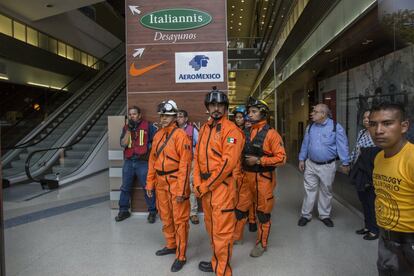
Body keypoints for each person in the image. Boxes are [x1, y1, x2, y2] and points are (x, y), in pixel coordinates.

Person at [194, 87, 244, 275]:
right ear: (208, 107)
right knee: (212, 228)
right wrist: (198, 183)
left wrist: (205, 186)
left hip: (222, 188)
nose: (216, 108)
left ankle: (222, 270)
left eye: (220, 105)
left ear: (225, 108)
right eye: (213, 105)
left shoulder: (231, 130)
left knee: (222, 233)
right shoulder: (205, 128)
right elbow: (197, 157)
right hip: (206, 189)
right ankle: (216, 260)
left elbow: (226, 165)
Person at [234, 97, 286, 257]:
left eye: (254, 111)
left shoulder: (272, 135)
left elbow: (282, 158)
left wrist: (259, 160)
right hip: (245, 178)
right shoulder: (245, 132)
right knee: (240, 210)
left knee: (263, 214)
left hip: (263, 179)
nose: (250, 114)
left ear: (263, 113)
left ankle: (261, 244)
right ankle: (236, 237)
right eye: (249, 111)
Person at [146, 100, 192, 272]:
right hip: (160, 183)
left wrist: (181, 190)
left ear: (174, 117)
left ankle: (181, 255)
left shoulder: (181, 136)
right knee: (166, 217)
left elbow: (185, 165)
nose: (164, 118)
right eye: (162, 115)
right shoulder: (158, 135)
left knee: (180, 220)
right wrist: (150, 183)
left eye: (167, 116)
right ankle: (171, 244)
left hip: (175, 182)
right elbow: (152, 161)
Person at [368, 103, 414, 275]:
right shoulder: (380, 157)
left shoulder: (411, 159)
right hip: (387, 239)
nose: (378, 130)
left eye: (387, 123)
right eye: (373, 124)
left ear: (404, 126)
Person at [298, 103, 350, 227]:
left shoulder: (336, 127)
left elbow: (343, 146)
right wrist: (301, 159)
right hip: (310, 164)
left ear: (323, 114)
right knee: (309, 190)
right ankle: (306, 215)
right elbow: (305, 144)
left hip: (327, 165)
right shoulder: (310, 127)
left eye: (315, 112)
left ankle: (324, 215)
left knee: (326, 191)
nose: (312, 113)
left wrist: (345, 162)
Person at [115, 106, 157, 223]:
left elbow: (156, 141)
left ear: (139, 115)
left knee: (147, 187)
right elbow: (123, 144)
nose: (132, 116)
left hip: (142, 162)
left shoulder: (148, 125)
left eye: (134, 114)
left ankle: (152, 211)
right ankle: (123, 211)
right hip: (129, 161)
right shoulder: (126, 127)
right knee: (125, 188)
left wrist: (148, 149)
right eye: (130, 114)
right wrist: (129, 130)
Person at [349, 110, 380, 240]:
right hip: (360, 172)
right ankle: (367, 226)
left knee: (371, 201)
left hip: (371, 173)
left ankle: (374, 230)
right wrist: (349, 163)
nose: (365, 120)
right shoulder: (362, 133)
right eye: (364, 117)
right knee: (363, 201)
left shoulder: (378, 134)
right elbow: (356, 150)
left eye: (369, 117)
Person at [232, 105, 257, 234]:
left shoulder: (250, 130)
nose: (238, 119)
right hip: (236, 168)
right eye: (236, 117)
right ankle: (239, 218)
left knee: (250, 196)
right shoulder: (232, 131)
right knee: (238, 196)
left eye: (241, 117)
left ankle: (252, 219)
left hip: (248, 167)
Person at [176, 109, 200, 225]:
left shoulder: (192, 130)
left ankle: (193, 213)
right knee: (178, 187)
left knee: (191, 187)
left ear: (186, 119)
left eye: (181, 116)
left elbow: (200, 145)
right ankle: (180, 211)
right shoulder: (173, 130)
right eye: (177, 116)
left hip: (190, 163)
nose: (178, 118)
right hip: (176, 164)